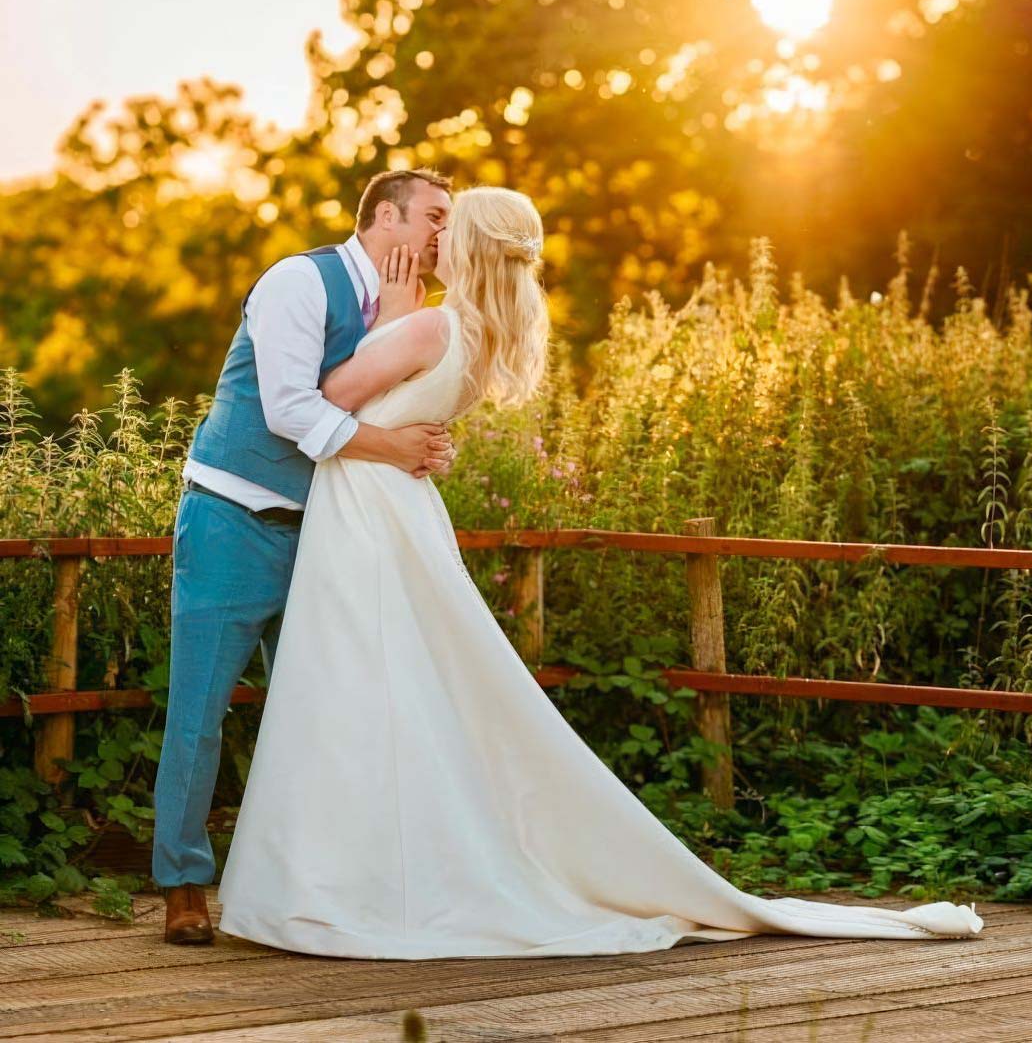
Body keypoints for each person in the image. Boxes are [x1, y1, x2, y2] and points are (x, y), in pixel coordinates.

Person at [214, 185, 983, 958]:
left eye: (452, 227)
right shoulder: (483, 337)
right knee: (390, 689)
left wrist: (385, 308)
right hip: (396, 510)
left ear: (470, 248)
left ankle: (345, 881)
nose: (438, 237)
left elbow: (323, 399)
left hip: (368, 516)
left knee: (355, 687)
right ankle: (363, 871)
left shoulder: (425, 325)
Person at [153, 168, 459, 945]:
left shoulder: (410, 309)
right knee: (200, 714)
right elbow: (290, 407)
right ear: (384, 216)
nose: (440, 236)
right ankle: (184, 885)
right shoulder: (298, 279)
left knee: (329, 713)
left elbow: (386, 403)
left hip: (330, 531)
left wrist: (424, 439)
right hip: (233, 519)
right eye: (432, 217)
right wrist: (394, 446)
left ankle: (314, 880)